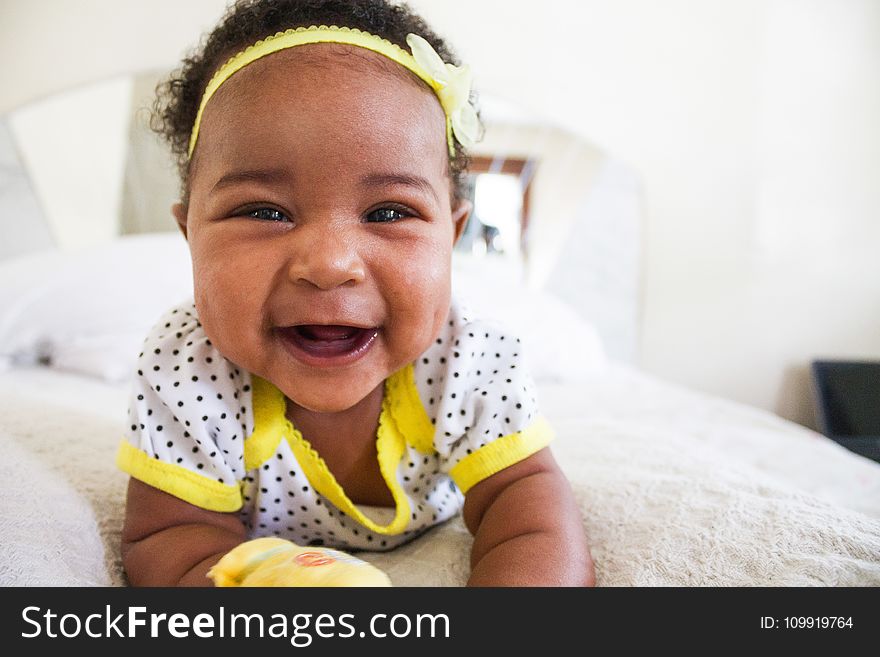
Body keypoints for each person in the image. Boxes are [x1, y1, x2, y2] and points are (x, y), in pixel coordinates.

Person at [118, 0, 594, 587]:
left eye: (389, 211)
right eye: (264, 211)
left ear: (452, 235)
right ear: (191, 233)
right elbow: (169, 537)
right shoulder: (186, 367)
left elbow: (529, 514)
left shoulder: (469, 357)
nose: (329, 265)